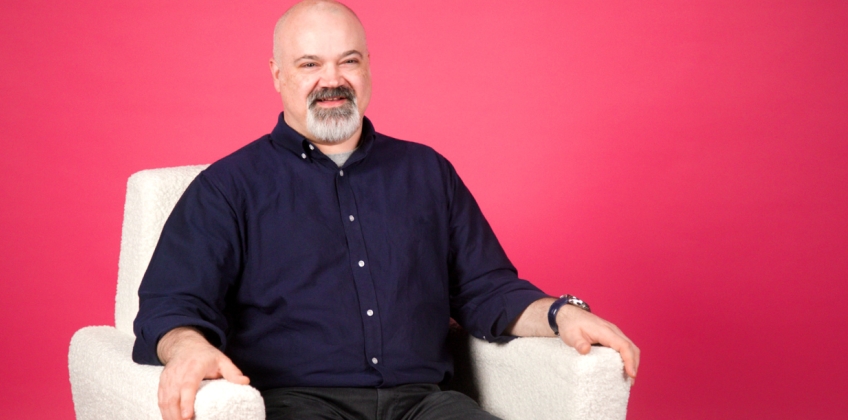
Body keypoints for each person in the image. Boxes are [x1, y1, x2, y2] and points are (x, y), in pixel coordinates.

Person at [132, 1, 640, 419]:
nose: (331, 79)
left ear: (368, 66)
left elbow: (488, 290)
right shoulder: (226, 187)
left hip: (425, 404)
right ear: (277, 74)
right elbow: (172, 304)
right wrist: (185, 347)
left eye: (347, 60)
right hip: (296, 405)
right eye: (309, 64)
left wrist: (560, 312)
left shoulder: (427, 172)